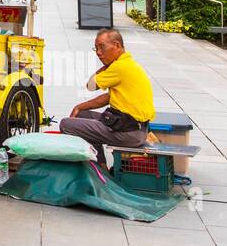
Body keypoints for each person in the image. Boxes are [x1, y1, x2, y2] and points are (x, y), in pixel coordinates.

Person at [59, 29, 155, 166]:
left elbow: (91, 85)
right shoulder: (130, 64)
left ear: (116, 45)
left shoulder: (119, 67)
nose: (98, 52)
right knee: (83, 114)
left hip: (128, 133)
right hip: (136, 130)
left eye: (102, 47)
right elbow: (108, 97)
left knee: (66, 124)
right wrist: (79, 107)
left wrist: (103, 68)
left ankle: (96, 168)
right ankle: (101, 165)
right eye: (96, 48)